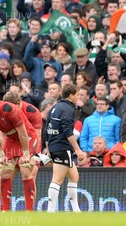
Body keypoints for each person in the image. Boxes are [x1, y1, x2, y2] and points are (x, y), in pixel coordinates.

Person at [0, 99, 38, 211]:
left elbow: (23, 133)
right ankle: (4, 210)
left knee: (25, 170)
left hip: (27, 137)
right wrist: (2, 154)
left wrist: (26, 153)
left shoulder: (10, 110)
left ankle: (29, 211)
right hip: (11, 140)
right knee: (4, 172)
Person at [45, 83, 86, 212]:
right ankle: (50, 212)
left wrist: (48, 149)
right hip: (62, 147)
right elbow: (68, 131)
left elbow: (47, 130)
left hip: (54, 146)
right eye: (77, 95)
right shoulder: (68, 109)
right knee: (57, 179)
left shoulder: (54, 107)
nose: (78, 98)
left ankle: (76, 210)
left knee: (74, 176)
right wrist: (78, 150)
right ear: (71, 95)